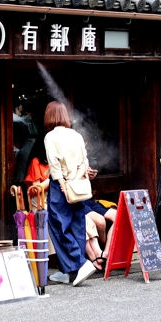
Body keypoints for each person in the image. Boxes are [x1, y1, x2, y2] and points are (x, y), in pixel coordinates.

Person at [43, 100, 97, 287]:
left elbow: (55, 166)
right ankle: (69, 271)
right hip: (78, 184)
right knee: (77, 225)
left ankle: (80, 263)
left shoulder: (50, 137)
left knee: (59, 226)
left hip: (62, 187)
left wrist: (64, 187)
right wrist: (76, 179)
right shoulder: (76, 135)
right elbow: (84, 162)